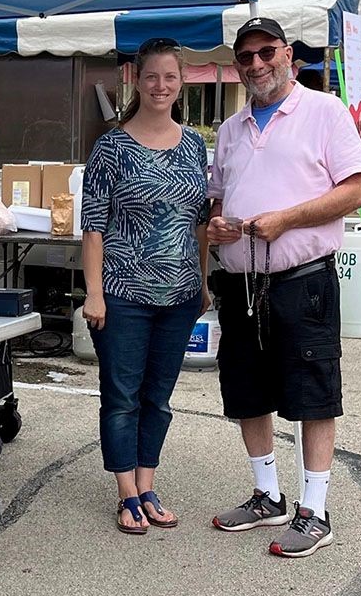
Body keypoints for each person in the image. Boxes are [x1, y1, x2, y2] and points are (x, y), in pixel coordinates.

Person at [206, 17, 361, 558]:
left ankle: (315, 510)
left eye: (266, 52)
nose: (256, 63)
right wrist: (216, 226)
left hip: (303, 282)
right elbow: (216, 201)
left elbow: (359, 190)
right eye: (246, 56)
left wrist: (288, 219)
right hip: (240, 281)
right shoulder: (230, 130)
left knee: (312, 393)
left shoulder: (323, 112)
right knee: (247, 390)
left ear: (288, 57)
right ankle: (267, 496)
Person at [81, 37, 210, 534]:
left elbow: (199, 220)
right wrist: (94, 292)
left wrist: (201, 280)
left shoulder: (194, 144)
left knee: (158, 396)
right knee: (122, 396)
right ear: (137, 79)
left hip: (179, 296)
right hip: (122, 294)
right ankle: (126, 493)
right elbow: (93, 225)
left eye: (170, 77)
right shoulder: (112, 146)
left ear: (181, 83)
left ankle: (148, 482)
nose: (161, 85)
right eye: (152, 76)